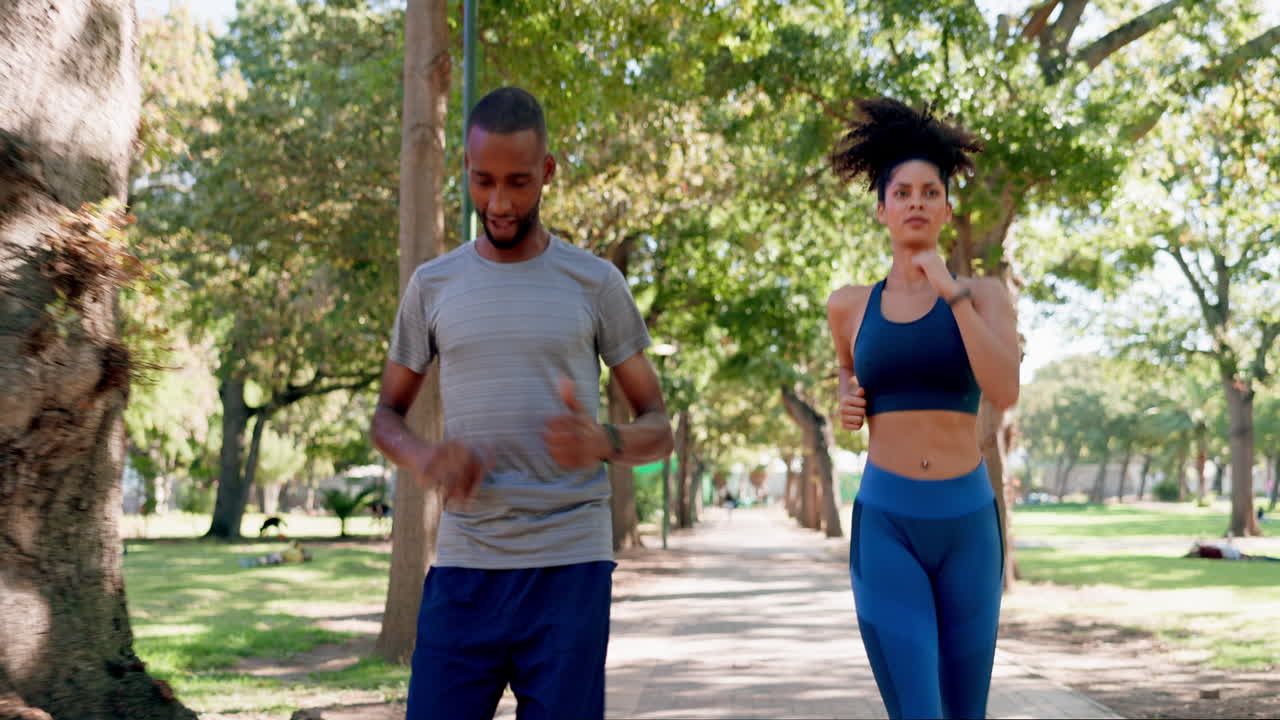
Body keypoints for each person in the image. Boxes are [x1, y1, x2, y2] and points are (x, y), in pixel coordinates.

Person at [370, 87, 674, 720]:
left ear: (548, 172)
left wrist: (604, 441)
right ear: (466, 169)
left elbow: (658, 427)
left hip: (570, 568)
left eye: (518, 182)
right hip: (465, 565)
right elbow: (386, 417)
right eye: (483, 182)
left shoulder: (596, 283)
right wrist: (424, 457)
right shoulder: (432, 286)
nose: (500, 203)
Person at [824, 97, 1020, 720]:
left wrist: (949, 291)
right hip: (888, 522)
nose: (916, 202)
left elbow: (1005, 389)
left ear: (947, 209)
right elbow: (847, 370)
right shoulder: (849, 305)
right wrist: (845, 398)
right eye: (902, 193)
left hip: (969, 524)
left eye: (930, 192)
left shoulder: (984, 295)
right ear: (881, 209)